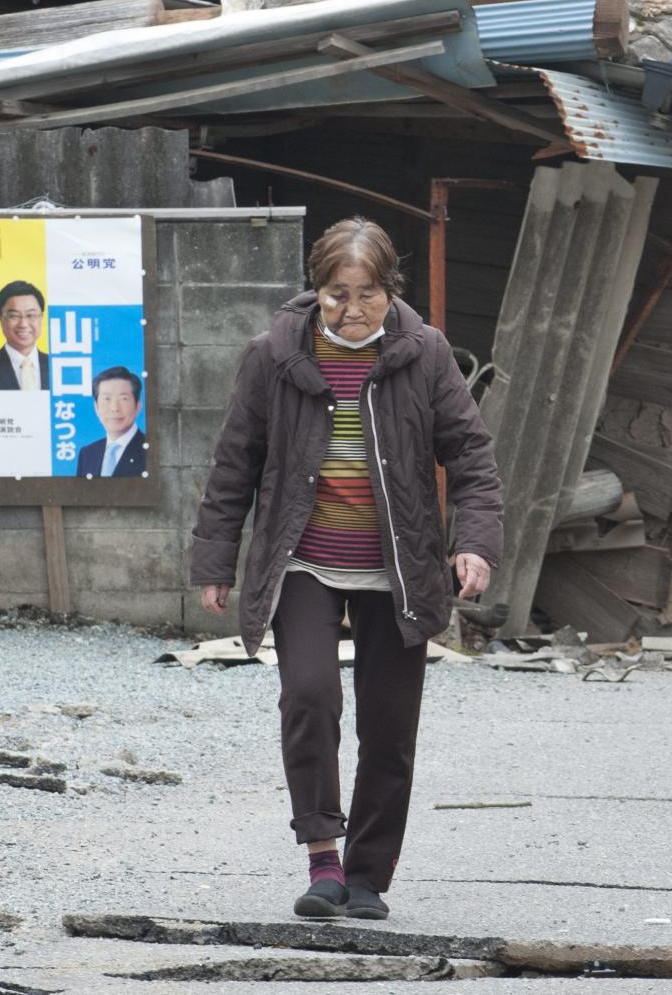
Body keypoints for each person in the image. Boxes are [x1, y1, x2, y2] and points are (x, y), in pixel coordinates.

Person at [190, 216, 503, 923]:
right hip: (303, 558)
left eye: (367, 294)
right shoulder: (273, 357)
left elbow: (473, 458)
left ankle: (366, 874)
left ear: (391, 290)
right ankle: (323, 858)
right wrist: (214, 558)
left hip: (397, 568)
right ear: (316, 291)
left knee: (389, 728)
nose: (352, 309)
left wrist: (474, 543)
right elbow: (234, 462)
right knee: (309, 694)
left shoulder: (424, 356)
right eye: (337, 294)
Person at [0, 280, 51, 391]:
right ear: (0, 318)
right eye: (14, 316)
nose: (23, 324)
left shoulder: (58, 366)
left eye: (31, 315)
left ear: (41, 317)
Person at [76, 366, 146, 478]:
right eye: (107, 399)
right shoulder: (88, 453)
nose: (114, 408)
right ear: (96, 407)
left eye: (123, 399)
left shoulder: (150, 451)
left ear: (138, 406)